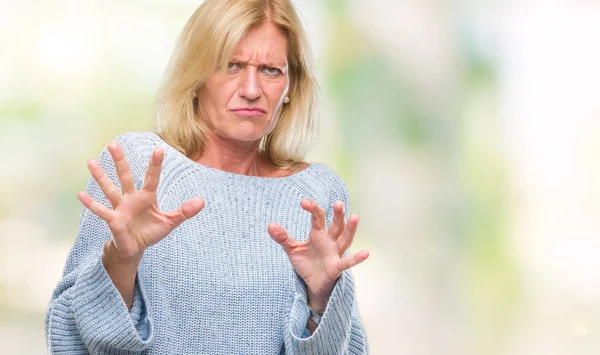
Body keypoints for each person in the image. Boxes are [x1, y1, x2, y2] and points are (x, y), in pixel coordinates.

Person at [45, 0, 370, 353]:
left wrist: (321, 302)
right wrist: (121, 258)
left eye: (271, 70)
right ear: (197, 75)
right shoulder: (138, 166)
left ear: (291, 86)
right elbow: (69, 337)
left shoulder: (317, 193)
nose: (250, 89)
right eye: (232, 65)